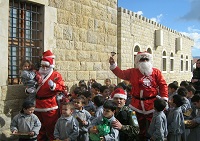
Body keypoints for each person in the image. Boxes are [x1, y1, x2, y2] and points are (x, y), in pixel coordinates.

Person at [109, 51, 168, 140]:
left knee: (155, 126)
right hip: (136, 105)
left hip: (152, 105)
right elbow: (121, 73)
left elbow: (163, 85)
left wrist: (164, 99)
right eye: (142, 59)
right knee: (137, 127)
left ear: (150, 60)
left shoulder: (156, 72)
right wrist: (114, 65)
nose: (144, 61)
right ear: (137, 61)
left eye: (146, 59)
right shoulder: (133, 72)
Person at [34, 55, 66, 141]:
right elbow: (30, 84)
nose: (44, 68)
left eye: (46, 66)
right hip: (37, 104)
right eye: (43, 66)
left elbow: (62, 87)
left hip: (49, 104)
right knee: (39, 127)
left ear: (50, 66)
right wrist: (28, 90)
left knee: (51, 127)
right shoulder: (37, 74)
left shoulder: (56, 75)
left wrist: (54, 86)